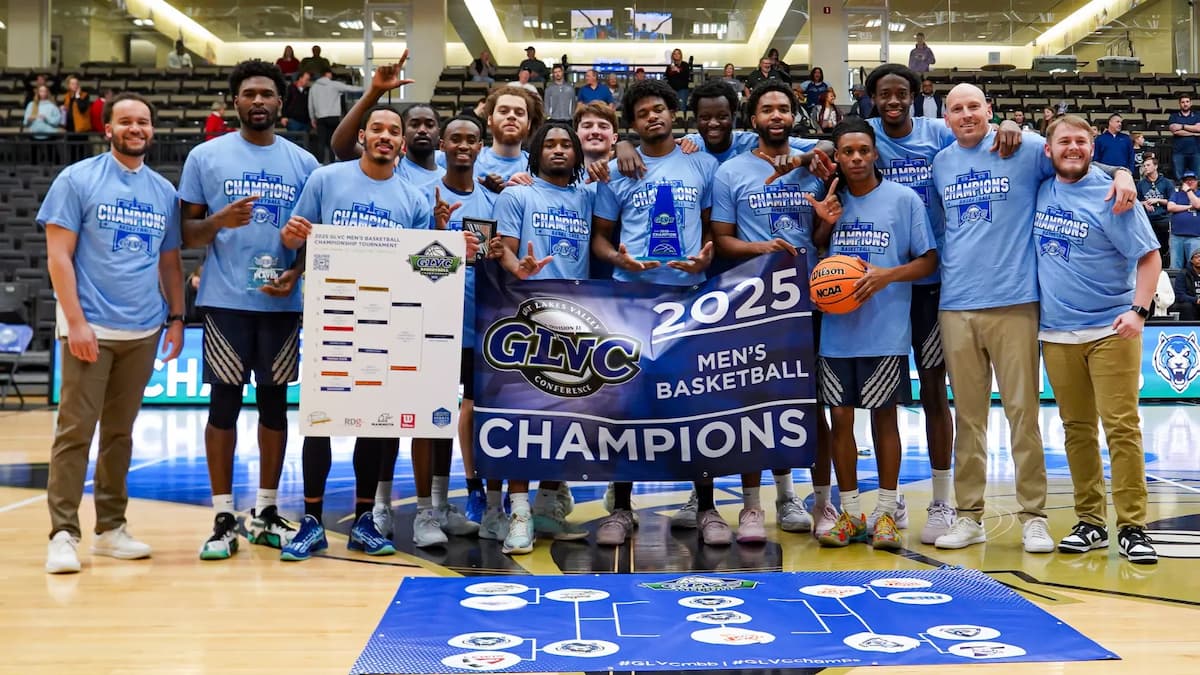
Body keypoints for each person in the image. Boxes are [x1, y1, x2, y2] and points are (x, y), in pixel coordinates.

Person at [931, 84, 1138, 554]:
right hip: (956, 303)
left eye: (974, 107)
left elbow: (1075, 162)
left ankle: (1033, 516)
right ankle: (969, 516)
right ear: (946, 118)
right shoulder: (942, 163)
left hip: (1016, 301)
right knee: (968, 418)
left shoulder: (1022, 146)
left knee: (1023, 415)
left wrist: (1121, 172)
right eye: (956, 109)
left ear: (990, 110)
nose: (966, 115)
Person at [277, 105, 478, 557]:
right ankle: (311, 520)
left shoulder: (412, 198)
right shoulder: (326, 180)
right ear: (363, 135)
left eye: (394, 132)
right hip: (333, 318)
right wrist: (292, 236)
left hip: (386, 322)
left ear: (402, 144)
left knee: (374, 423)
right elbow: (294, 240)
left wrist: (447, 241)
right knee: (320, 420)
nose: (386, 137)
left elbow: (426, 268)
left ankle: (366, 518)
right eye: (378, 129)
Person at [178, 59, 320, 561]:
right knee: (223, 405)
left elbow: (315, 238)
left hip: (282, 303)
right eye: (249, 94)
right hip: (224, 301)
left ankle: (265, 509)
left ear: (281, 103)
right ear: (234, 102)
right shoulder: (205, 156)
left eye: (267, 94)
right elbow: (184, 234)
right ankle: (222, 514)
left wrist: (297, 270)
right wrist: (218, 220)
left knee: (276, 405)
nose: (258, 101)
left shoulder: (305, 164)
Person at [39, 92, 185, 574]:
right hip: (91, 326)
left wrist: (177, 318)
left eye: (143, 121)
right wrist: (76, 321)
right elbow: (58, 256)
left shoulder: (163, 191)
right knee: (75, 432)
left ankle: (110, 529)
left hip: (143, 328)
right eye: (126, 121)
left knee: (120, 434)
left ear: (152, 129)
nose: (136, 128)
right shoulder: (76, 179)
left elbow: (169, 261)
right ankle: (63, 533)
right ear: (109, 129)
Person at [591, 79, 723, 543]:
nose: (653, 117)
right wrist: (618, 260)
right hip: (632, 298)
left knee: (696, 402)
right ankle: (621, 508)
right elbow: (600, 238)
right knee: (626, 403)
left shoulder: (701, 162)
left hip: (689, 297)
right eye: (643, 112)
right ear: (632, 123)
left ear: (674, 114)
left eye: (660, 109)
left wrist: (708, 256)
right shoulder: (617, 170)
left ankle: (707, 507)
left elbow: (711, 227)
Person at [710, 80, 837, 543]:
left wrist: (822, 218)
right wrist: (762, 247)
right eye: (767, 109)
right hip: (752, 302)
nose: (777, 116)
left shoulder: (813, 163)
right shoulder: (731, 172)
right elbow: (721, 238)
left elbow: (823, 234)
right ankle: (750, 506)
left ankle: (790, 496)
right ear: (753, 119)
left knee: (805, 401)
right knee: (753, 404)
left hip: (808, 300)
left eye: (784, 108)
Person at [1035, 114, 1161, 565]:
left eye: (1081, 141)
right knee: (1077, 430)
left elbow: (1149, 257)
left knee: (1121, 428)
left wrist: (1140, 311)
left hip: (1112, 328)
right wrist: (1123, 169)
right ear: (1048, 149)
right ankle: (1090, 521)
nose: (1073, 147)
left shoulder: (1113, 195)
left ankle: (1133, 526)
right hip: (1056, 333)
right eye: (1064, 141)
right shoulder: (1040, 186)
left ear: (1093, 147)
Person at [815, 118, 938, 549]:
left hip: (885, 330)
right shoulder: (829, 200)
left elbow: (928, 261)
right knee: (840, 420)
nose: (856, 158)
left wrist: (888, 276)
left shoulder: (903, 200)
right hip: (836, 331)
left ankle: (886, 513)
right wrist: (825, 224)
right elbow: (813, 257)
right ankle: (849, 514)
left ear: (875, 153)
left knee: (885, 417)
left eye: (863, 150)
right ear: (837, 157)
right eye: (847, 152)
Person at [488, 122, 596, 554]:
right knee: (523, 421)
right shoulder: (518, 194)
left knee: (566, 422)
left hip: (581, 317)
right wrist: (518, 268)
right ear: (535, 152)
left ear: (576, 153)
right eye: (548, 144)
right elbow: (507, 248)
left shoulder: (588, 197)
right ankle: (518, 512)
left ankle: (549, 506)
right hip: (527, 312)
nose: (557, 150)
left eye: (565, 144)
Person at [429, 115, 500, 523]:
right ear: (442, 143)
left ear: (479, 147)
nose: (462, 145)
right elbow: (413, 259)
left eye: (470, 140)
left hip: (479, 324)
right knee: (435, 414)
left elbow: (488, 263)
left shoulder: (491, 202)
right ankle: (437, 502)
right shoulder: (425, 193)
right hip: (434, 324)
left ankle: (480, 493)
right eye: (454, 138)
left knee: (477, 411)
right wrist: (438, 231)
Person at [308, 68, 364, 163]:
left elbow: (310, 104)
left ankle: (319, 163)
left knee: (321, 142)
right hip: (333, 117)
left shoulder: (314, 87)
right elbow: (350, 89)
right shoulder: (334, 84)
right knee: (332, 142)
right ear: (328, 74)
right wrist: (369, 89)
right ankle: (332, 162)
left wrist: (312, 118)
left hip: (320, 118)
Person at [1137, 156, 1173, 266]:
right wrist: (1145, 203)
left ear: (1155, 166)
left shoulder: (1167, 183)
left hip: (1163, 219)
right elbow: (1135, 202)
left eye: (1148, 165)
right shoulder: (1141, 184)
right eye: (1144, 166)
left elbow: (1172, 202)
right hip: (1147, 220)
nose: (1145, 168)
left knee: (1163, 246)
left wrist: (1157, 200)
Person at [1166, 170, 1200, 267]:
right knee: (1175, 266)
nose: (1189, 182)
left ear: (1197, 181)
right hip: (1176, 236)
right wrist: (1189, 207)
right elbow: (1170, 207)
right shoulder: (1176, 194)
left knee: (1196, 267)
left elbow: (1197, 204)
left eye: (1192, 180)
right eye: (1186, 180)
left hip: (1195, 237)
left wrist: (1188, 191)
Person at [1168, 94, 1200, 180]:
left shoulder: (1197, 115)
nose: (1185, 104)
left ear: (1191, 103)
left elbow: (1198, 128)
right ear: (1179, 104)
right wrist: (1194, 133)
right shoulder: (1173, 116)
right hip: (1179, 152)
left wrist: (1182, 126)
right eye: (1183, 102)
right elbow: (1175, 131)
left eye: (1187, 102)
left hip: (1195, 152)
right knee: (1179, 179)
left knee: (1197, 178)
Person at [1170, 249, 1200, 320]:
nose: (1199, 259)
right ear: (1191, 261)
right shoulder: (1183, 274)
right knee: (1187, 306)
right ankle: (1190, 329)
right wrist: (1196, 300)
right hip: (1191, 303)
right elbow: (1179, 295)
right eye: (1197, 257)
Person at [665, 49, 692, 113]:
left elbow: (686, 76)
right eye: (675, 54)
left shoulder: (685, 65)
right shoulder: (670, 67)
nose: (676, 55)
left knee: (681, 108)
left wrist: (678, 70)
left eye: (678, 53)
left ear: (680, 55)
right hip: (672, 90)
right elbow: (667, 77)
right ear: (672, 56)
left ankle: (682, 121)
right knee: (672, 108)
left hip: (682, 90)